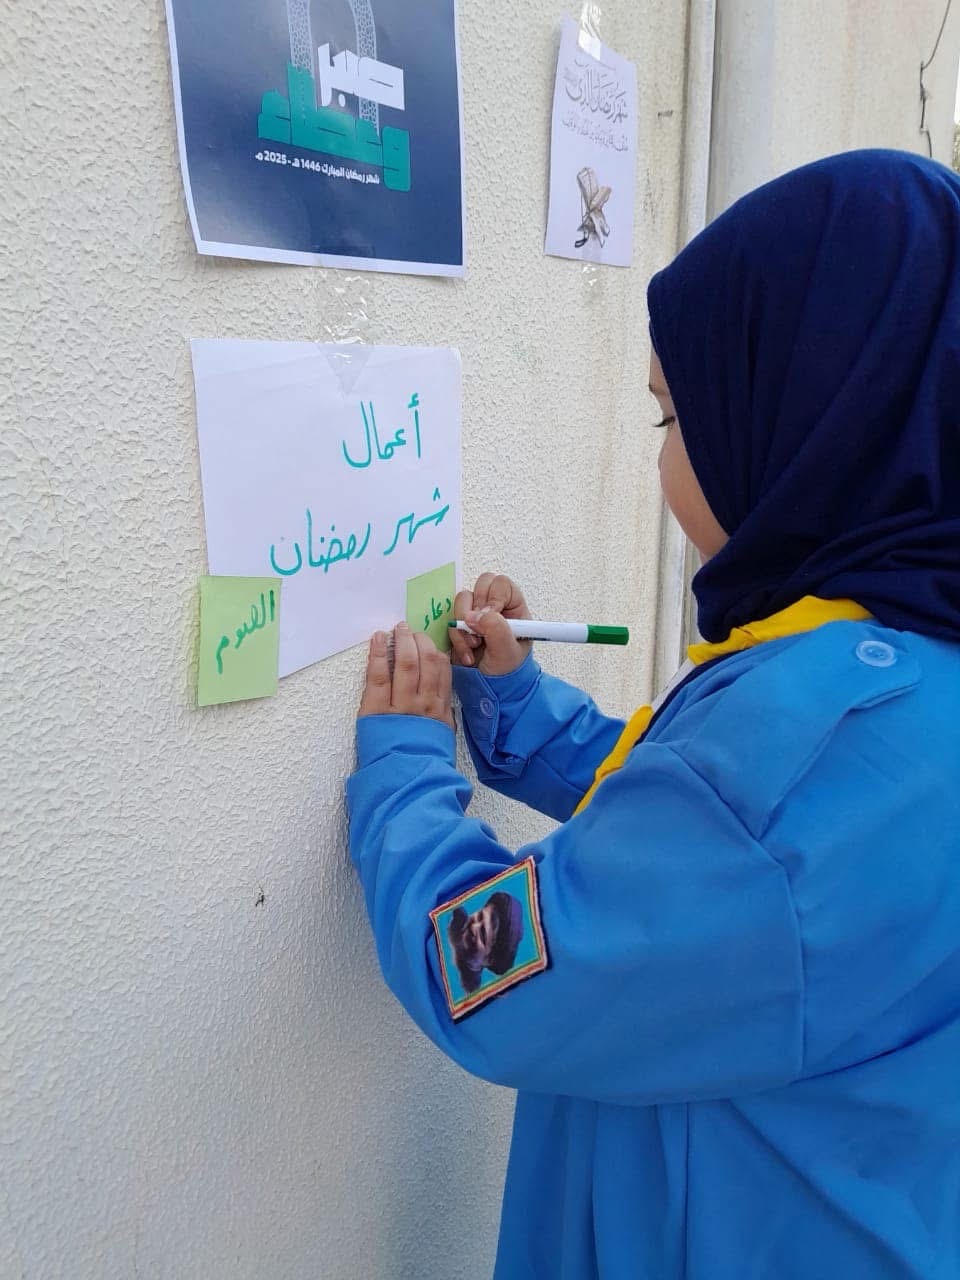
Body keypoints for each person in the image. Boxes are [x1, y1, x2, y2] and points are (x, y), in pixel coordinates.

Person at [346, 150, 960, 1278]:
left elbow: (480, 976)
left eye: (672, 416)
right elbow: (691, 855)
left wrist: (403, 772)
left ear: (808, 418)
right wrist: (521, 707)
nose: (666, 459)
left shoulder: (789, 771)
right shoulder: (904, 662)